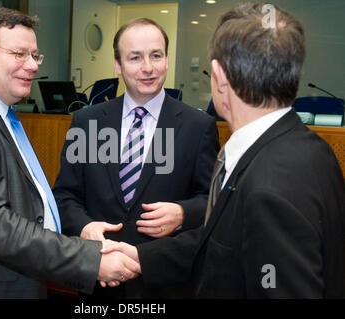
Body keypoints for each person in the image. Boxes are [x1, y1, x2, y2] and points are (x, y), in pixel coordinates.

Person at [102, 2, 345, 298]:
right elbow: (226, 243)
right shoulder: (311, 150)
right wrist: (144, 258)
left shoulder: (270, 188)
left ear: (218, 75)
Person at [0, 6, 138, 299]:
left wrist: (77, 233)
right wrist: (89, 259)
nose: (32, 65)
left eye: (35, 55)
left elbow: (25, 208)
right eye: (18, 54)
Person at [53, 17, 219, 298]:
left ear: (167, 59)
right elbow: (64, 196)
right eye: (135, 58)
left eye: (156, 55)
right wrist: (83, 226)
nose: (147, 68)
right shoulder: (87, 122)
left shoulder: (198, 127)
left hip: (165, 285)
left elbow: (213, 202)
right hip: (100, 280)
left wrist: (182, 213)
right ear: (117, 65)